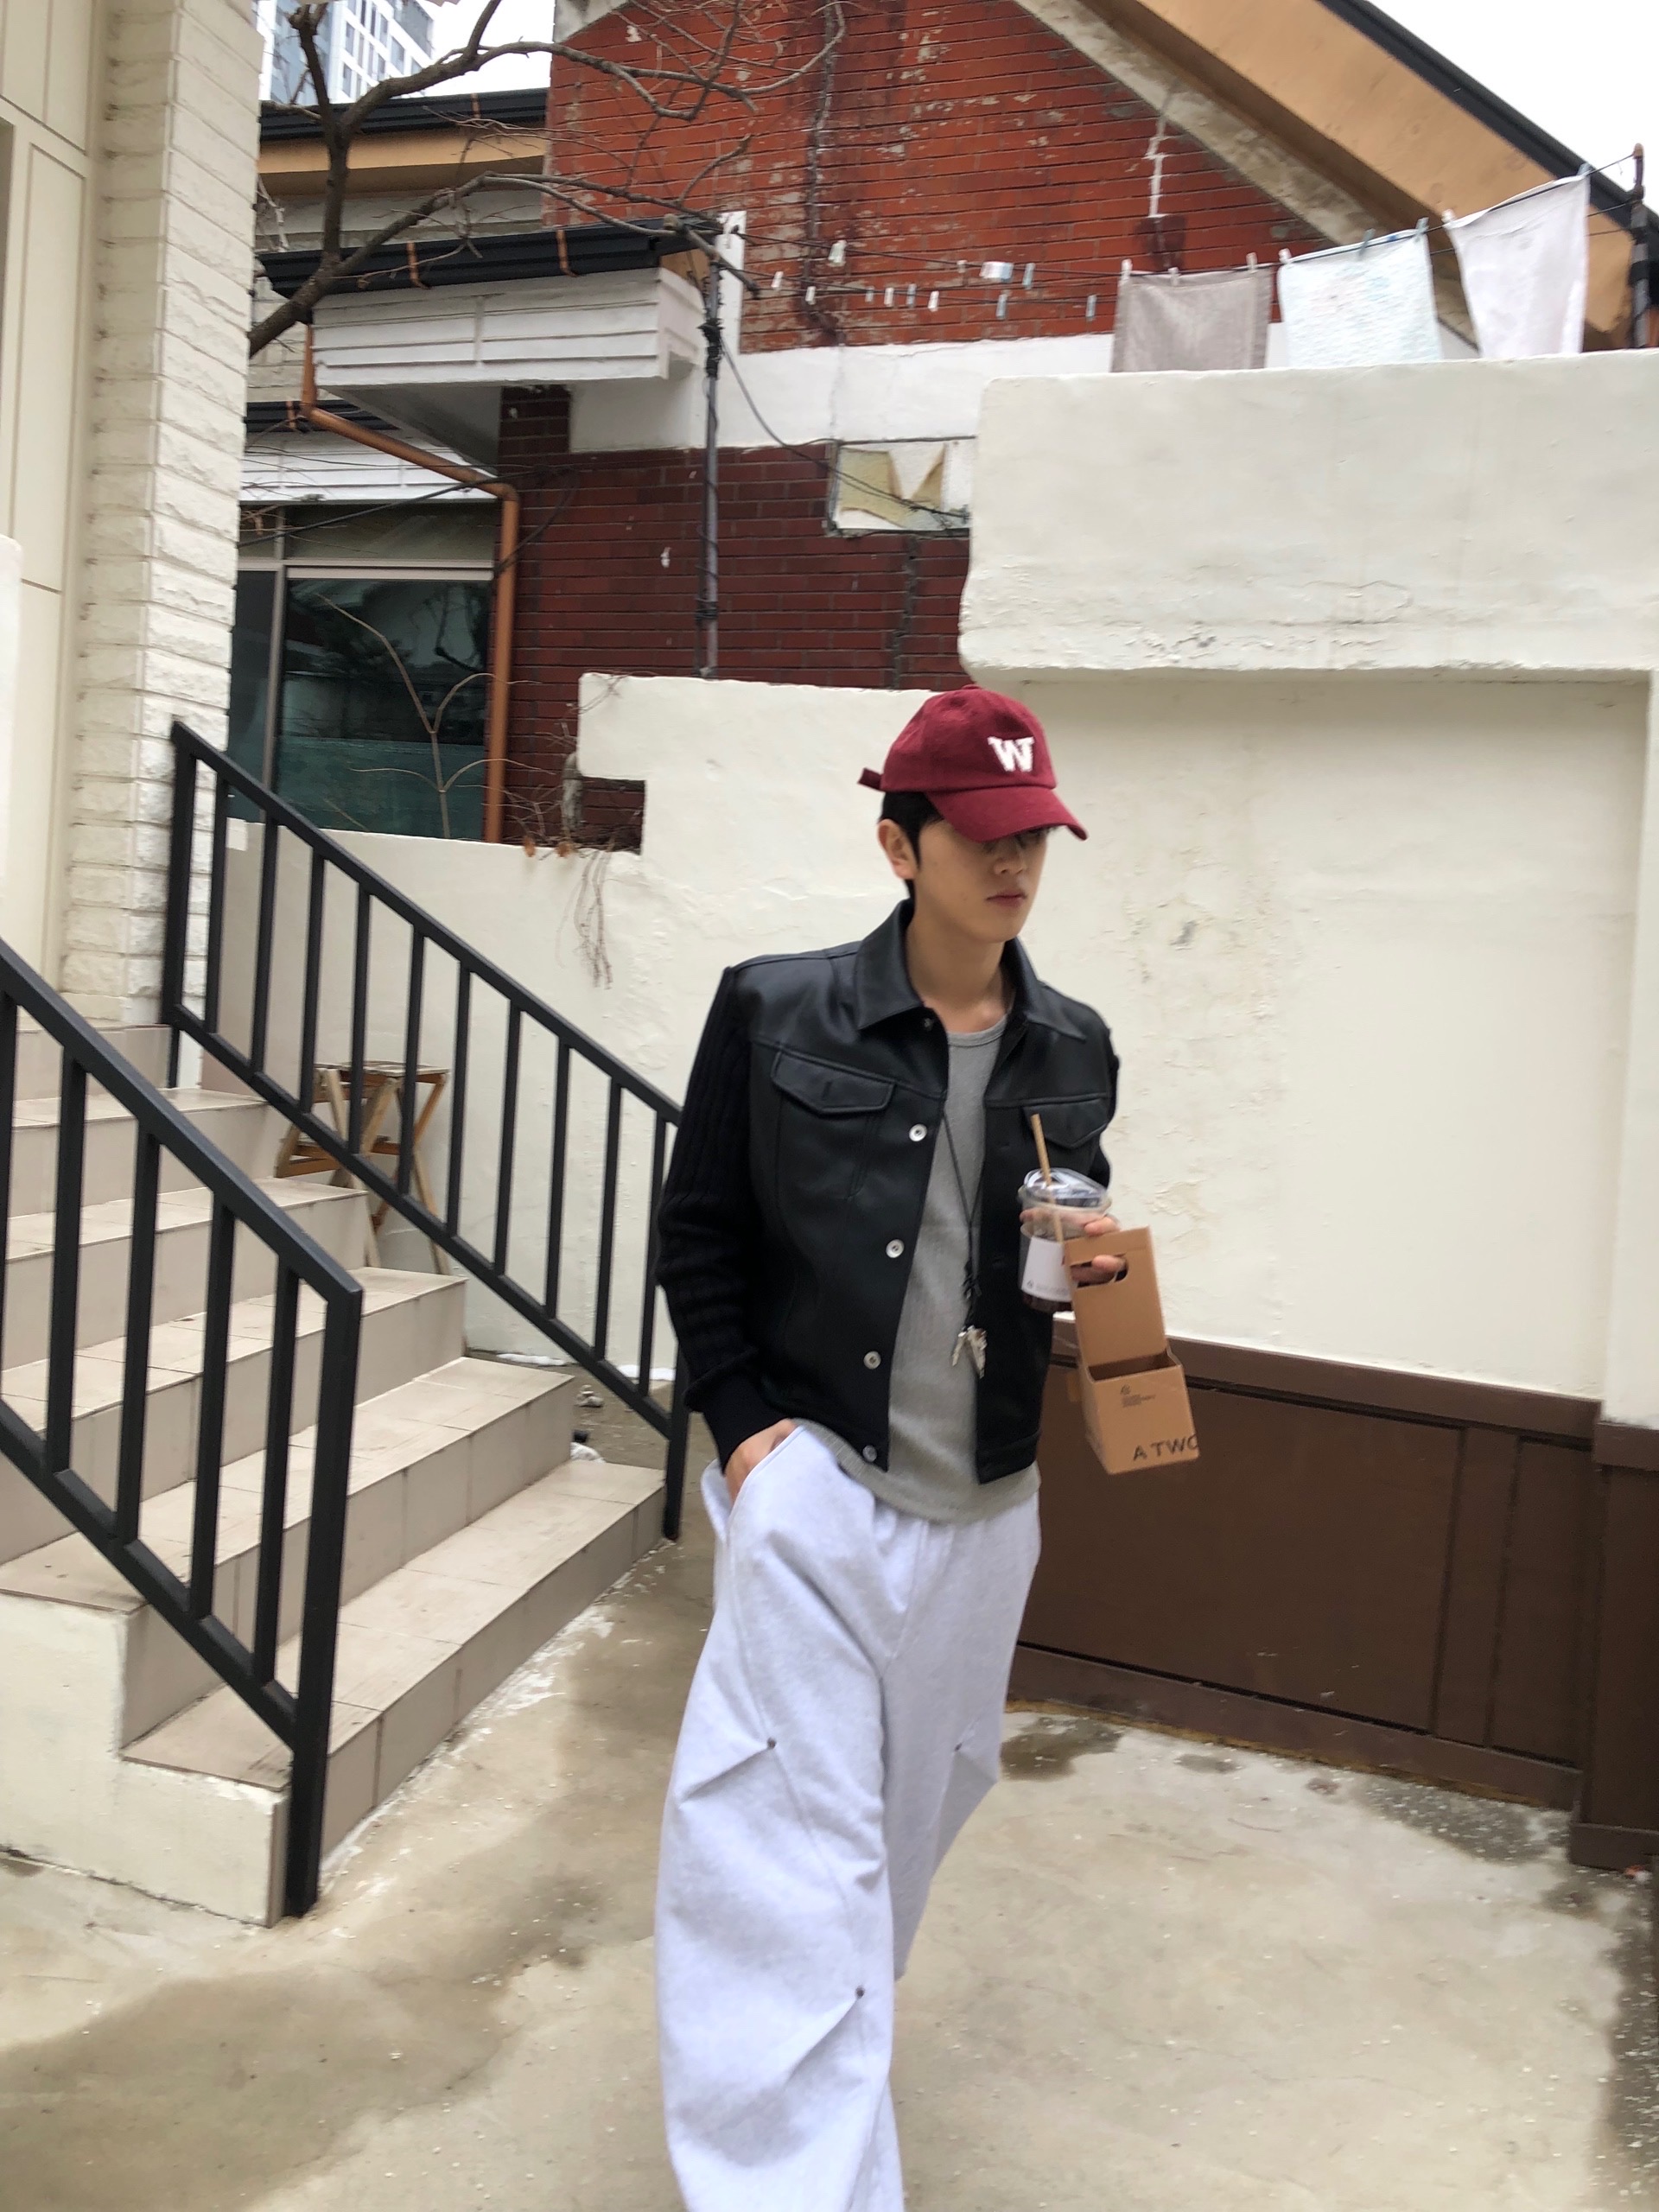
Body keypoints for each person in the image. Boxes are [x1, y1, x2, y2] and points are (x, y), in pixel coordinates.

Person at [653, 686, 1123, 2211]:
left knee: (909, 1826)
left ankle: (824, 2078)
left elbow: (1045, 1270)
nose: (1014, 864)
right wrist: (748, 1441)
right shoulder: (773, 1009)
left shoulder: (1076, 1047)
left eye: (1033, 835)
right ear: (900, 845)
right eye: (982, 837)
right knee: (787, 1857)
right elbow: (700, 1235)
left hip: (989, 1503)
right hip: (820, 1487)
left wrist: (1095, 1274)